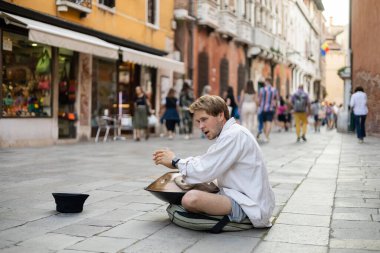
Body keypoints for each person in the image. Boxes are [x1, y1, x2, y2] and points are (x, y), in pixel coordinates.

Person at [153, 95, 275, 227]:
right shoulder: (230, 133)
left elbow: (205, 169)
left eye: (204, 119)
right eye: (198, 121)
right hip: (237, 193)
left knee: (190, 198)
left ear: (221, 115)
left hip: (249, 205)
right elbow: (207, 161)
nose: (201, 126)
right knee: (193, 183)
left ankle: (237, 219)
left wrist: (175, 161)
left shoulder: (234, 135)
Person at [257, 78, 279, 142]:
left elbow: (259, 100)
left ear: (266, 82)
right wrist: (276, 108)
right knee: (269, 122)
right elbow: (277, 100)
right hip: (271, 109)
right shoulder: (274, 90)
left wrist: (258, 106)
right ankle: (267, 136)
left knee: (264, 123)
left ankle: (266, 136)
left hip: (263, 109)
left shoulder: (262, 90)